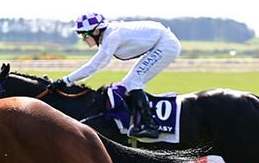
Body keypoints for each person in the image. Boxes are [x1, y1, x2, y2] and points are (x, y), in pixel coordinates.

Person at [50, 13, 181, 138]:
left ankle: (150, 126)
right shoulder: (108, 34)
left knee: (132, 82)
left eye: (84, 35)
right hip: (160, 42)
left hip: (166, 44)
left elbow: (95, 65)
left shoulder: (112, 36)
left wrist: (66, 80)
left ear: (96, 31)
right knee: (129, 82)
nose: (83, 39)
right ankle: (141, 121)